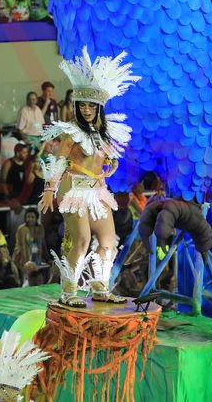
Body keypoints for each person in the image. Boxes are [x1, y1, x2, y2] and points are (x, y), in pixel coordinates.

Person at [39, 49, 139, 306]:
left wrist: (111, 164)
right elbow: (59, 160)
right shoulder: (71, 131)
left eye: (90, 106)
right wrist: (50, 189)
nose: (85, 110)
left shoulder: (104, 134)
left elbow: (104, 159)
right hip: (73, 188)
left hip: (98, 189)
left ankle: (100, 288)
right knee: (82, 239)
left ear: (98, 108)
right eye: (81, 105)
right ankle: (69, 292)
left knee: (108, 241)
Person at [12, 208, 45, 279]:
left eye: (32, 217)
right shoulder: (21, 229)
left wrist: (48, 259)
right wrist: (26, 263)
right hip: (22, 257)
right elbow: (22, 247)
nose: (30, 219)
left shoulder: (40, 227)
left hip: (36, 257)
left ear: (36, 218)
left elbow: (43, 244)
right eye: (28, 217)